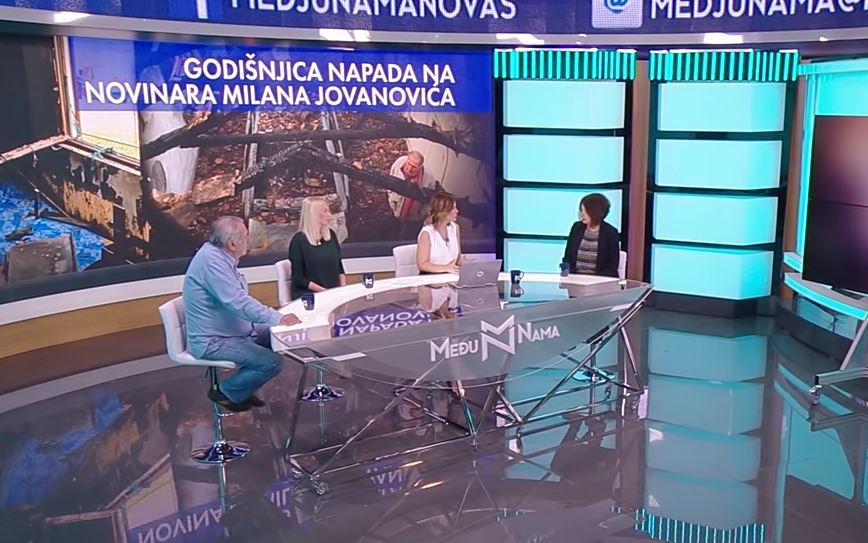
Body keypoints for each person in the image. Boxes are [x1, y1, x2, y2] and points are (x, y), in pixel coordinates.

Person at [183, 216, 301, 412]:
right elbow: (239, 303)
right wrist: (277, 317)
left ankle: (243, 389)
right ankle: (226, 392)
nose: (249, 240)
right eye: (246, 236)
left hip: (230, 329)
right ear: (231, 244)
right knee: (272, 362)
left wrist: (276, 320)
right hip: (212, 341)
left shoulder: (217, 255)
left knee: (275, 334)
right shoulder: (212, 263)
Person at [288, 196, 346, 301]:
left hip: (333, 293)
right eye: (325, 211)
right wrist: (325, 292)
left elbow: (339, 267)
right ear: (313, 215)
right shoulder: (298, 241)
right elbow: (298, 279)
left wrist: (342, 289)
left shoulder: (331, 235)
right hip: (309, 296)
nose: (330, 216)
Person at [562, 193, 620, 277]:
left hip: (600, 281)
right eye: (581, 210)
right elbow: (567, 258)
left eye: (584, 211)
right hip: (575, 279)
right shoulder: (576, 227)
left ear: (594, 212)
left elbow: (612, 267)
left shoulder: (610, 233)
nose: (581, 214)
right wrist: (565, 274)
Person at [388, 150, 438, 240]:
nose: (409, 169)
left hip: (415, 217)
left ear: (420, 167)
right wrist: (391, 201)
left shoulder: (428, 178)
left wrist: (421, 214)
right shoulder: (399, 163)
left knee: (410, 237)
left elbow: (430, 199)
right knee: (393, 232)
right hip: (397, 210)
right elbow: (390, 180)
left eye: (414, 167)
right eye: (408, 164)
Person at [416, 191, 462, 274]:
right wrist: (445, 268)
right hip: (431, 278)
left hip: (451, 277)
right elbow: (422, 264)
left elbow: (457, 260)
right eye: (453, 208)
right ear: (443, 211)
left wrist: (468, 263)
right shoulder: (427, 233)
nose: (457, 211)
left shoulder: (455, 228)